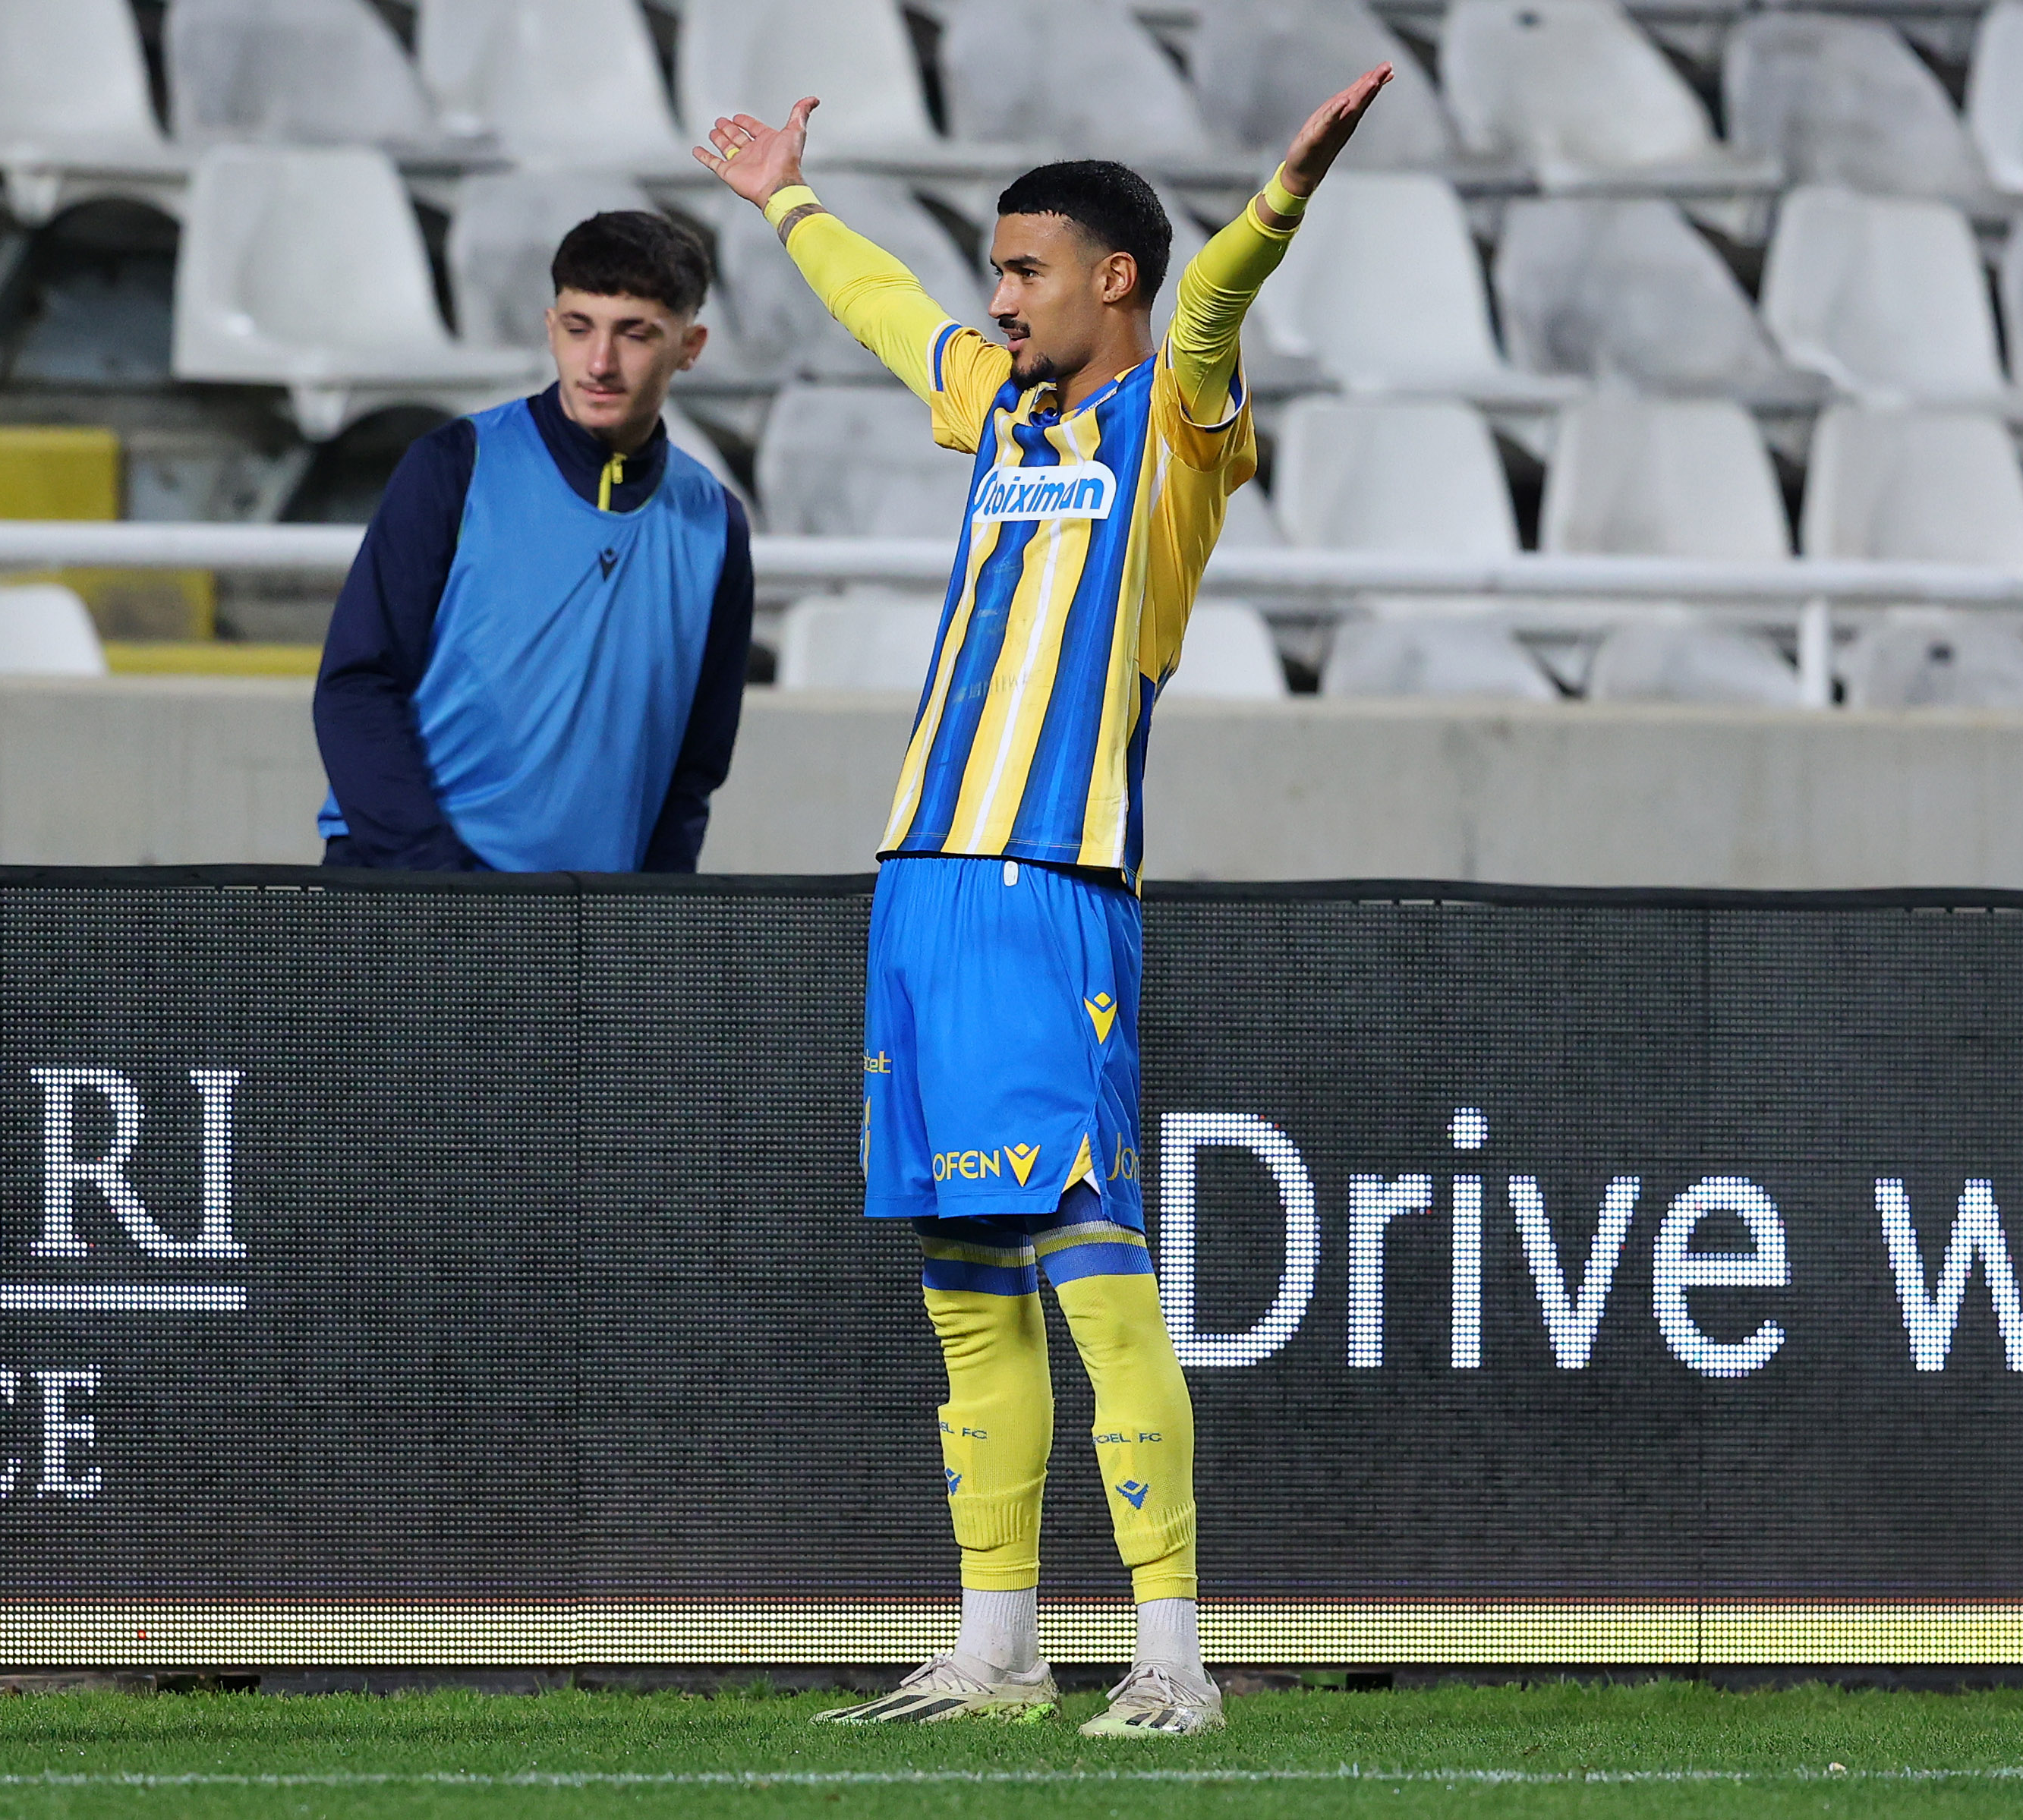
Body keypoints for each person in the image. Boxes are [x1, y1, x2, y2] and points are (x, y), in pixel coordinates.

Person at [696, 68, 1392, 1736]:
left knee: (1095, 1276)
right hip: (919, 883)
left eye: (1024, 271)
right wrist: (786, 201)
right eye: (996, 273)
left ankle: (1172, 1656)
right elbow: (886, 312)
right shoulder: (998, 411)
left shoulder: (1175, 428)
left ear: (1111, 280)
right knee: (963, 1286)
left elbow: (1213, 304)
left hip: (1046, 883)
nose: (997, 300)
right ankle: (994, 1649)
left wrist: (1282, 195)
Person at [314, 212, 756, 873]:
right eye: (579, 329)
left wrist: (652, 911)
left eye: (634, 334)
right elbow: (356, 687)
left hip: (590, 916)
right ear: (551, 329)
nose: (599, 363)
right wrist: (444, 887)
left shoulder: (715, 522)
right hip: (407, 890)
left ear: (689, 346)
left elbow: (696, 763)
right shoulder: (454, 465)